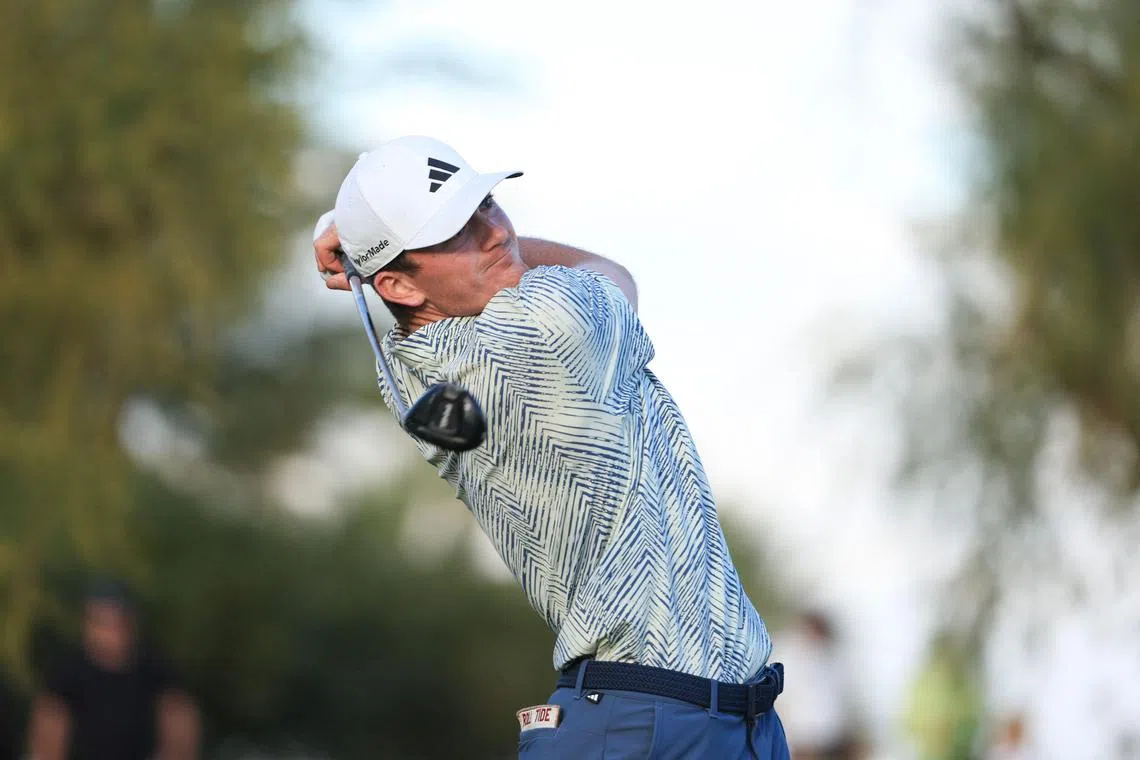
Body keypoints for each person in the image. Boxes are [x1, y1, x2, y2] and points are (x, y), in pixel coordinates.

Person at [313, 136, 789, 759]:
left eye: (485, 205)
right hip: (645, 726)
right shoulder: (548, 323)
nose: (494, 232)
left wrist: (363, 251)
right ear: (400, 284)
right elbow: (613, 274)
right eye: (456, 230)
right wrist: (354, 246)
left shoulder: (403, 368)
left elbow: (436, 280)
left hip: (709, 721)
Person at [27, 581, 199, 760]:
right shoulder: (65, 675)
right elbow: (48, 736)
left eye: (117, 621)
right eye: (102, 622)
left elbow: (180, 726)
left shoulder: (156, 671)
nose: (110, 631)